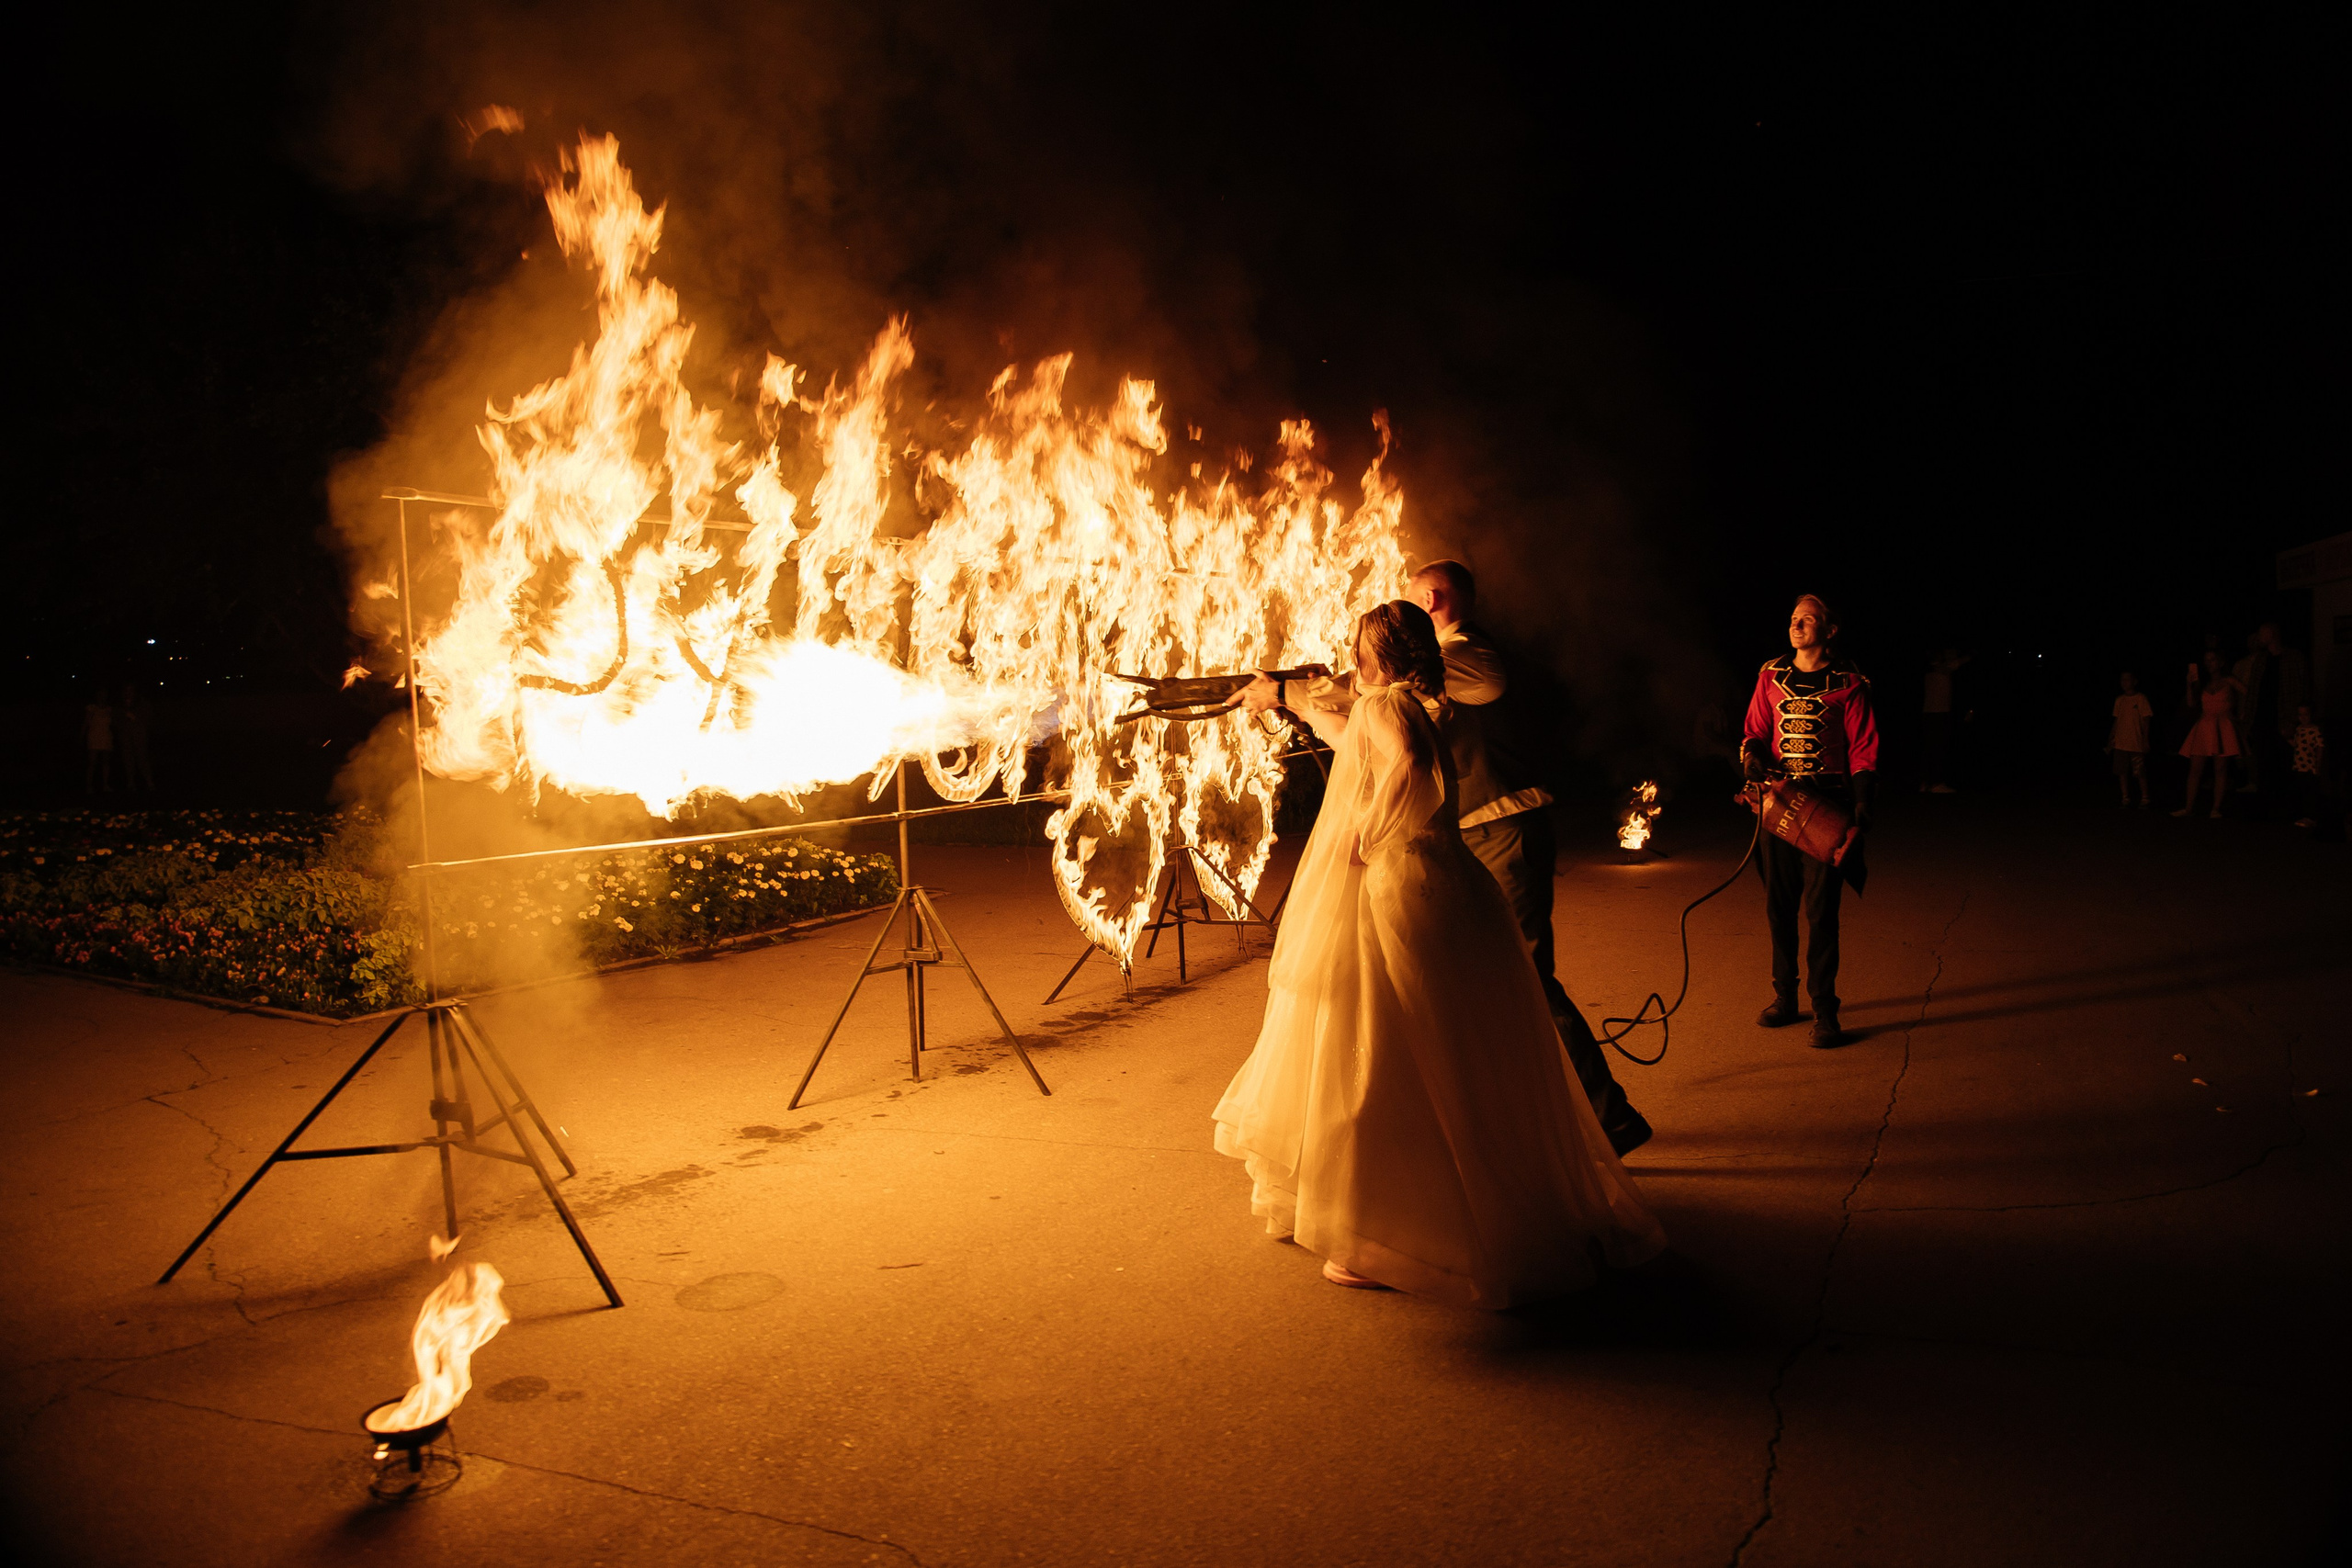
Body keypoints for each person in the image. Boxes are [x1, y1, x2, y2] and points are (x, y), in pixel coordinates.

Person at [1213, 600, 1666, 1305]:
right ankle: (1463, 1203)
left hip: (1396, 879)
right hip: (1447, 878)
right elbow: (1362, 739)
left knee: (1381, 1044)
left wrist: (1369, 828)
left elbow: (1403, 762)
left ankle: (1388, 1229)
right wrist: (1304, 708)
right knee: (1451, 1046)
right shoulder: (1418, 701)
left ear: (1381, 652)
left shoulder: (1388, 704)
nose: (1352, 656)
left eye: (1360, 646)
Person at [1240, 559, 1653, 1156]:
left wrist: (1319, 694)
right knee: (1465, 991)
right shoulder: (1417, 688)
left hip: (1504, 828)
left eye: (1409, 600)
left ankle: (1607, 1118)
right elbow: (1371, 744)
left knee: (1522, 983)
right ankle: (1511, 1125)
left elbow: (1406, 734)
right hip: (1471, 840)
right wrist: (1299, 699)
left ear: (1431, 600)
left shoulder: (1470, 656)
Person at [1740, 594, 1879, 1048]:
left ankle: (1825, 1011)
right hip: (1779, 803)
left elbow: (1862, 748)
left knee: (1821, 913)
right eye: (1794, 619)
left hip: (1826, 808)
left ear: (1830, 630)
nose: (1797, 625)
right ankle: (1785, 998)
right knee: (1778, 907)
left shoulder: (1850, 682)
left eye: (1808, 619)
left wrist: (1861, 805)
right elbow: (1756, 731)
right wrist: (1754, 758)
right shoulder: (1771, 676)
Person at [2174, 650, 2241, 818]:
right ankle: (2189, 808)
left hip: (2223, 724)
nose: (2209, 663)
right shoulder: (2203, 683)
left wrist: (2241, 715)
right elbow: (2191, 703)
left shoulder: (2230, 680)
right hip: (2204, 726)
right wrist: (2189, 684)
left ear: (2221, 662)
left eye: (2212, 660)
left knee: (2220, 768)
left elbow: (2250, 694)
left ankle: (2216, 808)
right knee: (2195, 769)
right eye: (2206, 661)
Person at [1919, 648, 1967, 792]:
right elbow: (1958, 661)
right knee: (1939, 748)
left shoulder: (1930, 669)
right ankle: (1936, 783)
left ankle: (1927, 782)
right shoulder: (1942, 668)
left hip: (1929, 713)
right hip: (1939, 713)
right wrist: (1970, 654)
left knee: (1930, 749)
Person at [2108, 671, 2154, 807]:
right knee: (2121, 771)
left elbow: (2146, 720)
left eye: (2127, 679)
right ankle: (2125, 796)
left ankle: (2145, 796)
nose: (2124, 682)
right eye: (2122, 679)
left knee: (2139, 771)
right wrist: (2111, 736)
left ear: (2134, 681)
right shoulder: (2119, 700)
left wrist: (2145, 740)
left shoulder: (2141, 699)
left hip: (2135, 742)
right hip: (2121, 742)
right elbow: (2117, 720)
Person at [2288, 705, 2325, 830]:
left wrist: (2318, 765)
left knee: (2310, 792)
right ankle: (2303, 815)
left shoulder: (2315, 730)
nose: (2303, 718)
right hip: (2298, 766)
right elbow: (2298, 745)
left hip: (2310, 766)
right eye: (2300, 715)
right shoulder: (2299, 729)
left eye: (2306, 714)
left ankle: (2311, 817)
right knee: (2301, 791)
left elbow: (2320, 747)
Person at [118, 683, 156, 794]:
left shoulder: (142, 704)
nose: (128, 693)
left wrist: (136, 718)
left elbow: (149, 719)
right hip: (125, 738)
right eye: (126, 690)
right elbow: (115, 720)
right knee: (128, 760)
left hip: (139, 737)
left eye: (130, 690)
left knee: (142, 759)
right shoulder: (120, 705)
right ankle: (131, 783)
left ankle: (149, 782)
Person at [82, 691, 116, 795]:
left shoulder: (109, 709)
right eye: (100, 694)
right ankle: (89, 785)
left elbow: (113, 723)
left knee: (106, 762)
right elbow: (86, 723)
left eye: (104, 694)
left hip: (106, 737)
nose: (102, 697)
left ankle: (105, 784)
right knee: (92, 762)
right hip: (94, 737)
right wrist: (82, 735)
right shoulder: (91, 708)